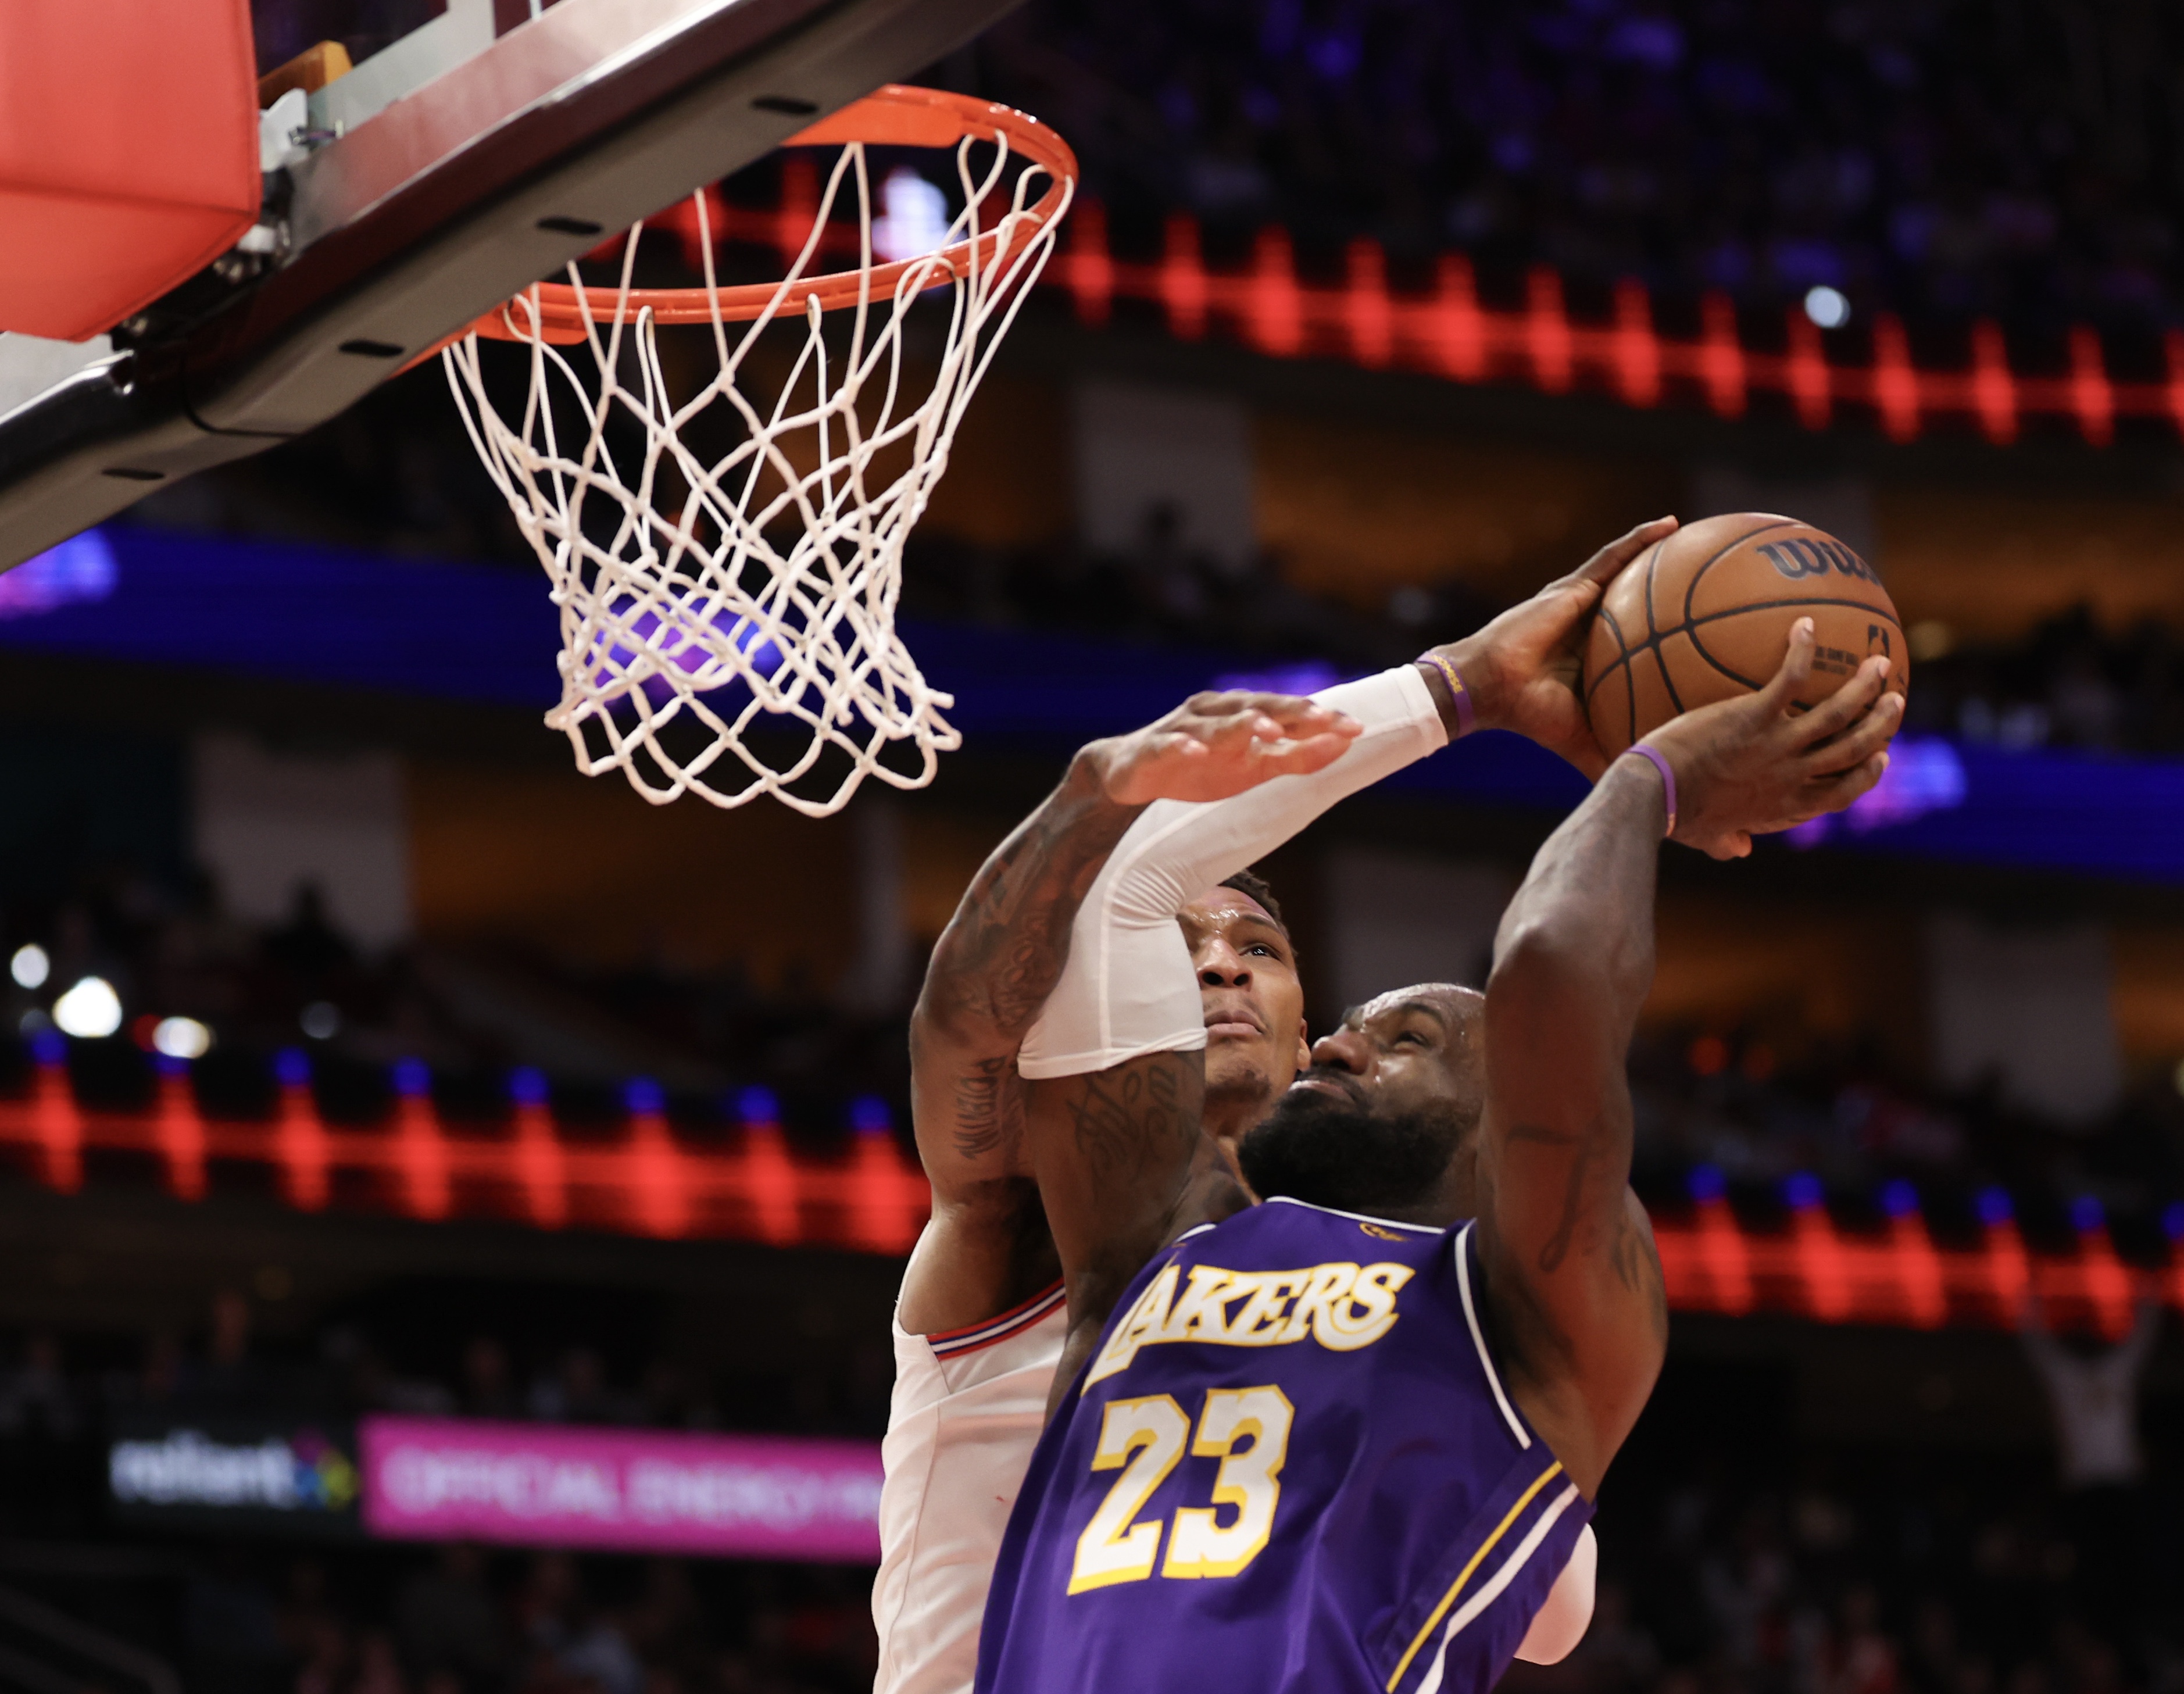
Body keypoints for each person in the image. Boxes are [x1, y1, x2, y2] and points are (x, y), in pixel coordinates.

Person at [974, 620, 1898, 1693]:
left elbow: (1551, 961)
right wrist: (1455, 687)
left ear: (1506, 1111)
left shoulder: (1534, 1307)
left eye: (1406, 1039)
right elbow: (1115, 896)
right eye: (1346, 1027)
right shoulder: (1161, 1235)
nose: (1336, 1045)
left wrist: (1651, 778)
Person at [875, 520, 1690, 1694]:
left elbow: (1552, 1616)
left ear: (1315, 1045)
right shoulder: (1031, 1206)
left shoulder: (1429, 1317)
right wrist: (1450, 688)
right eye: (1179, 945)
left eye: (1255, 946)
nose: (1217, 964)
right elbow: (1006, 981)